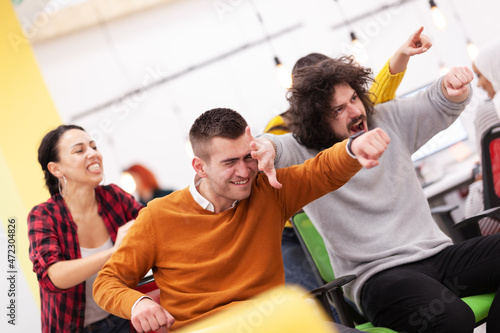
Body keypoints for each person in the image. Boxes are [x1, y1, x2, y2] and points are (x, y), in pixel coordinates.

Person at [257, 56, 500, 332]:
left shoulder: (386, 119)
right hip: (379, 277)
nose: (354, 111)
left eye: (353, 99)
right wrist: (264, 147)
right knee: (454, 318)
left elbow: (436, 102)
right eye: (338, 110)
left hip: (438, 255)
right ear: (318, 120)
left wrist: (451, 88)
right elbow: (276, 146)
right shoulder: (302, 151)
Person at [93, 108, 390, 333]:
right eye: (229, 162)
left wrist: (352, 149)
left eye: (247, 157)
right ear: (200, 166)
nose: (245, 171)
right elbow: (107, 282)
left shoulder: (268, 190)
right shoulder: (158, 217)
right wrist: (138, 302)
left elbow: (320, 171)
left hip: (279, 324)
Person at [265, 27, 432, 293]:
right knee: (313, 292)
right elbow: (275, 150)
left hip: (340, 210)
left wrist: (401, 56)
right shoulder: (283, 128)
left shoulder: (350, 111)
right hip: (294, 224)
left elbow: (377, 97)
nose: (340, 101)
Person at [28, 124, 144, 332]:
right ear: (56, 169)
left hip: (124, 315)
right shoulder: (44, 216)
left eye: (93, 147)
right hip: (76, 328)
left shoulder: (114, 197)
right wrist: (114, 252)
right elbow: (53, 276)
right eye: (80, 150)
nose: (93, 153)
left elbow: (150, 224)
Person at [463, 39, 500, 235]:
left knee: (472, 209)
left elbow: (488, 167)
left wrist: (479, 177)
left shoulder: (487, 111)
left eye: (479, 75)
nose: (478, 84)